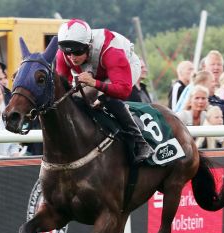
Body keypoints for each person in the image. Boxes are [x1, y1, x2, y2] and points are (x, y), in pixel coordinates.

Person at [56, 18, 154, 164]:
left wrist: (94, 83)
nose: (72, 58)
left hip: (124, 67)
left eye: (77, 52)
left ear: (88, 46)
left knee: (107, 98)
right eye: (67, 53)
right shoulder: (64, 56)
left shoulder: (111, 52)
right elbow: (62, 89)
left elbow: (122, 91)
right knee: (76, 99)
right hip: (96, 68)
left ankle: (140, 142)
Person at [0, 83, 21, 157]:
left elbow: (13, 145)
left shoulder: (8, 117)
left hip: (6, 164)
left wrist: (15, 160)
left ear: (3, 96)